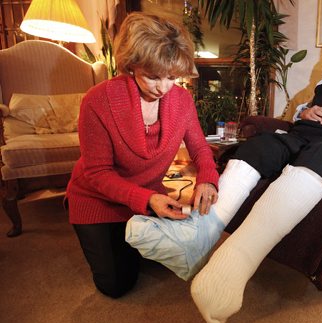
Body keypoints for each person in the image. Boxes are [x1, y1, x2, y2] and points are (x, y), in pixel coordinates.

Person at [126, 21, 322, 323]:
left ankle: (235, 264)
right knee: (261, 146)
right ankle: (197, 236)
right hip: (305, 134)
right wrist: (303, 114)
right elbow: (302, 110)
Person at [66, 12, 219, 299]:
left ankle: (137, 237)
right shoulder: (97, 101)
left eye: (172, 77)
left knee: (164, 258)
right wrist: (146, 200)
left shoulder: (182, 100)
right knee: (116, 285)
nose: (163, 87)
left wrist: (208, 180)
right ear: (132, 65)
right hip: (97, 198)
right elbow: (97, 174)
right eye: (153, 77)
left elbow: (199, 148)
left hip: (149, 195)